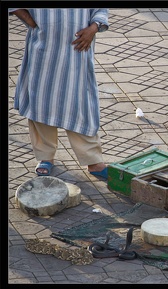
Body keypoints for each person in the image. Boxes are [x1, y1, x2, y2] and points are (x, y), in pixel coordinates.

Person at [9, 9, 110, 179]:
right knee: (41, 104)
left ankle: (93, 161)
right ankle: (45, 157)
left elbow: (100, 9)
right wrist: (32, 22)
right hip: (43, 52)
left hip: (78, 52)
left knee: (80, 105)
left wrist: (93, 29)